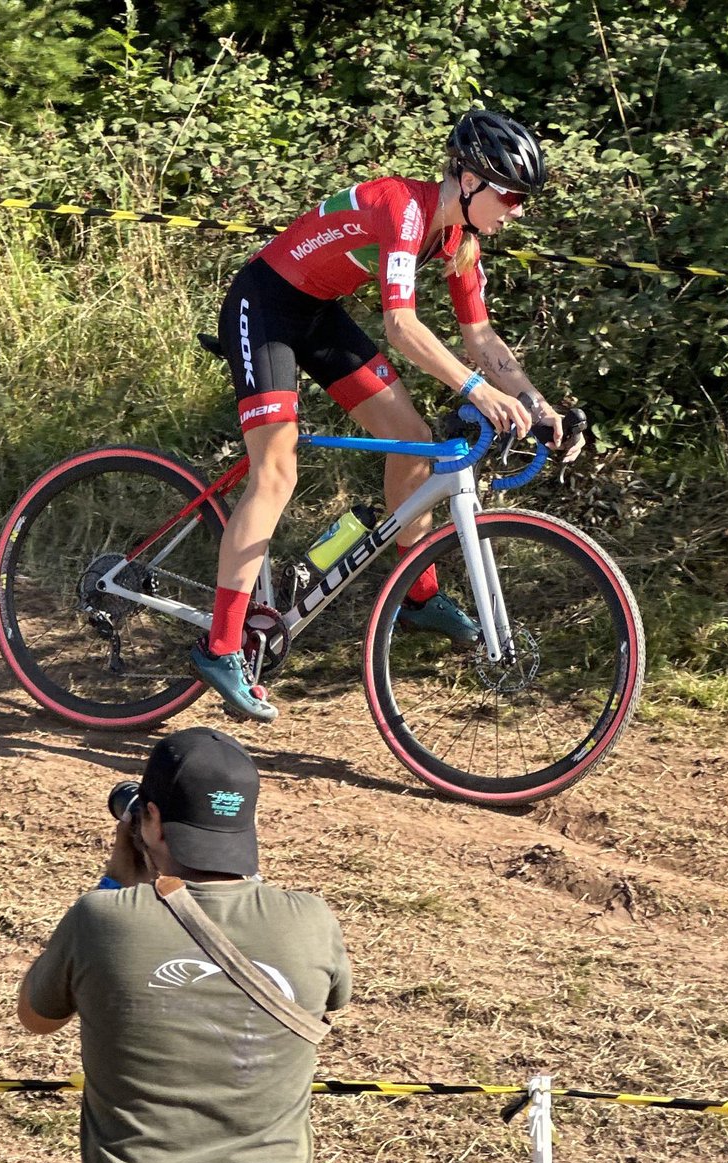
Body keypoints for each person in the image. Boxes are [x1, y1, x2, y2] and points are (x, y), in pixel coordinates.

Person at [191, 108, 584, 721]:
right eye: (510, 195)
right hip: (265, 304)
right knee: (276, 474)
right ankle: (219, 648)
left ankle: (417, 593)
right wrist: (479, 392)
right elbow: (401, 327)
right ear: (471, 180)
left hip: (318, 314)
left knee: (413, 439)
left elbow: (480, 338)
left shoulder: (460, 244)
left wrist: (535, 403)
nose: (518, 210)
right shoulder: (404, 206)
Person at [18, 726, 352, 1163]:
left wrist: (115, 884)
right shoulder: (313, 920)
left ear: (150, 820)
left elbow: (35, 1017)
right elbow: (331, 1000)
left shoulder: (101, 919)